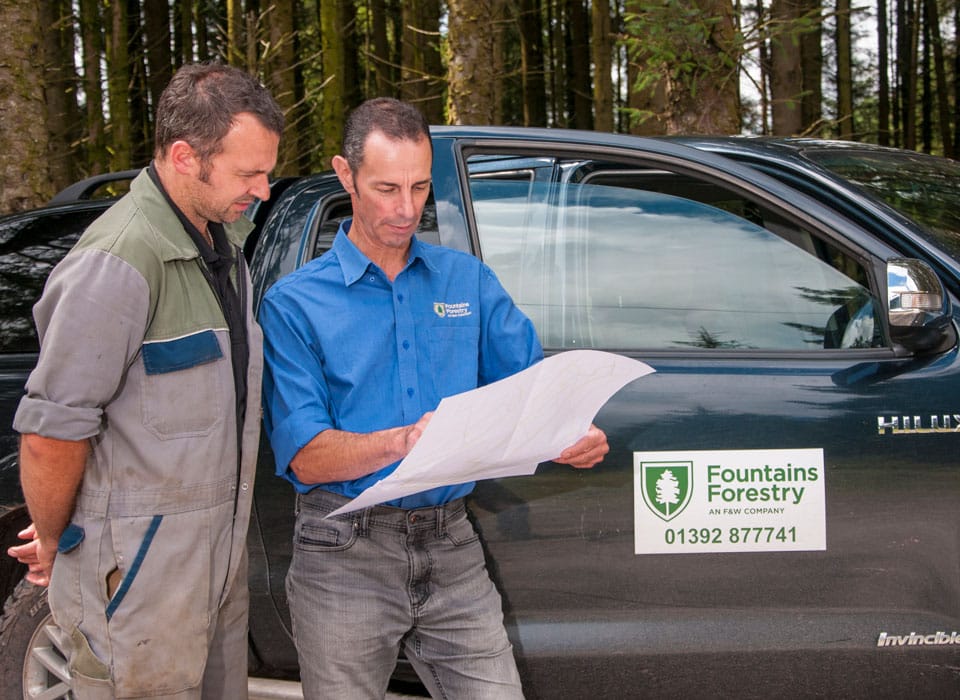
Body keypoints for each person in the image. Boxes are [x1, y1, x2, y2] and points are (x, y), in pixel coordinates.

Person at [259, 97, 608, 699]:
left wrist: (570, 432)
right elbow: (307, 456)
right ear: (345, 175)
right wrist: (404, 440)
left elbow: (531, 390)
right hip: (344, 554)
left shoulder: (465, 280)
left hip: (452, 546)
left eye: (420, 187)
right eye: (386, 187)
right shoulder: (294, 303)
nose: (405, 209)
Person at [8, 62, 282, 699]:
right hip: (135, 586)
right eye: (249, 173)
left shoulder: (222, 243)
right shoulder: (117, 264)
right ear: (185, 157)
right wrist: (53, 538)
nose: (264, 190)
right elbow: (51, 433)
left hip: (212, 570)